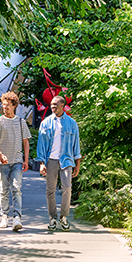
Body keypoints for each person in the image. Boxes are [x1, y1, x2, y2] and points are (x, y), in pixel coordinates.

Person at [36, 95, 81, 232]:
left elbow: (76, 145)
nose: (53, 107)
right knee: (50, 190)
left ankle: (64, 216)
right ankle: (52, 217)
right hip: (51, 160)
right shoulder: (45, 123)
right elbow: (41, 145)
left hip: (66, 160)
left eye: (55, 104)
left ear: (63, 106)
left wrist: (77, 164)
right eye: (51, 105)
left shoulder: (72, 123)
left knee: (67, 188)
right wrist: (41, 163)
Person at [0, 91, 31, 231]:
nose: (4, 107)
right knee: (3, 189)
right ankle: (4, 216)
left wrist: (26, 160)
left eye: (7, 105)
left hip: (17, 160)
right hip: (2, 162)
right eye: (3, 105)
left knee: (16, 188)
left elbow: (25, 142)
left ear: (14, 105)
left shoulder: (21, 122)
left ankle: (17, 217)